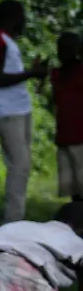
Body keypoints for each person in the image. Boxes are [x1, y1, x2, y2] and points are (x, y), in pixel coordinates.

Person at [0, 0, 48, 223]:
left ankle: (15, 220)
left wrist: (31, 72)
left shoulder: (7, 42)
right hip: (7, 112)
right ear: (14, 18)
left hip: (19, 110)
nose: (24, 22)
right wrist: (31, 73)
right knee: (19, 166)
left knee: (22, 166)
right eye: (22, 17)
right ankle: (12, 224)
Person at [50, 31, 83, 202]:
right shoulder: (56, 74)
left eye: (69, 48)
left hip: (80, 138)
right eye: (61, 48)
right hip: (64, 137)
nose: (64, 52)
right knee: (72, 187)